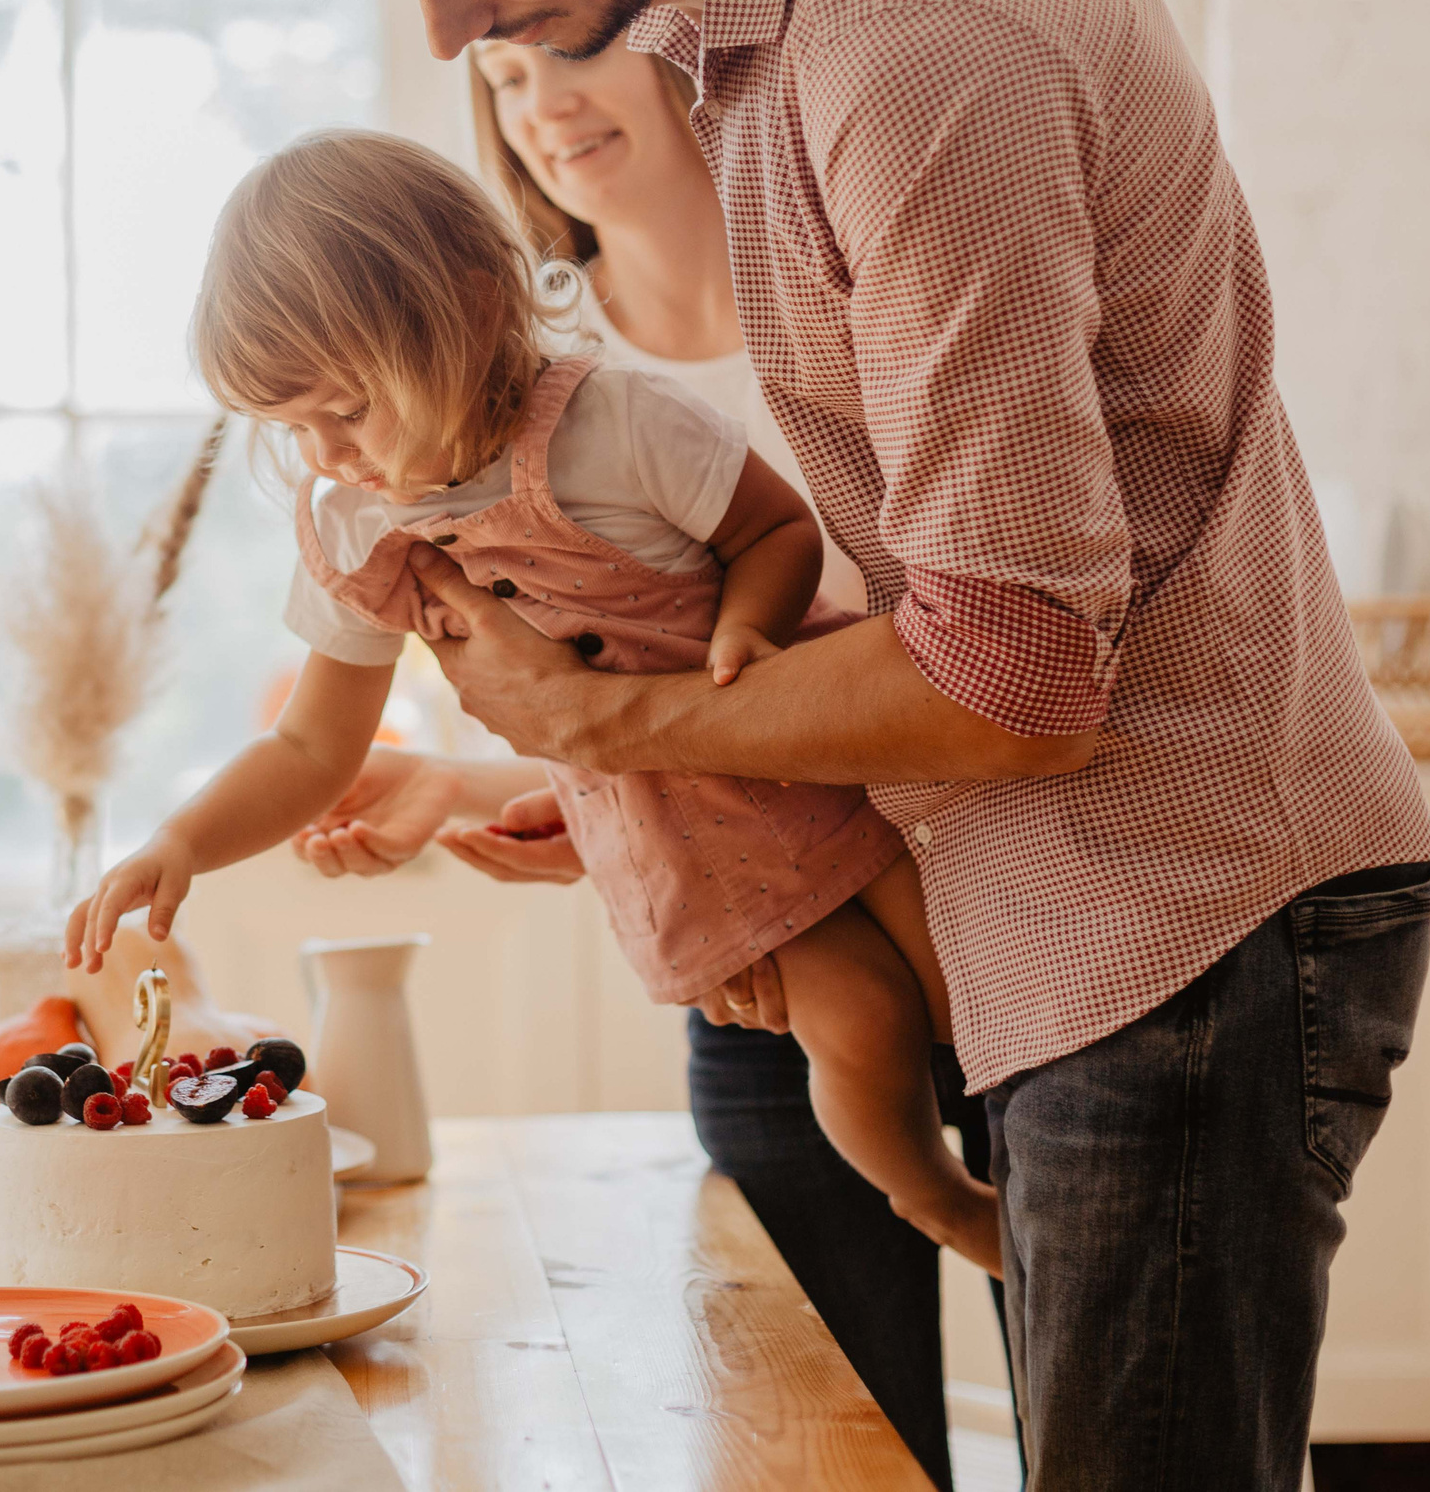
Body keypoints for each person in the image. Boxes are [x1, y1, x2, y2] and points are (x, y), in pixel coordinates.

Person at [234, 0, 1430, 1488]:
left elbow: (1015, 675)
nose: (448, 27)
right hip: (1075, 903)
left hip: (1179, 910)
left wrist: (605, 732)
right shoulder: (777, 22)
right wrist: (660, 795)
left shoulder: (905, 36)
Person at [61, 127, 1001, 1275]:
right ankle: (941, 1201)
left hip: (807, 746)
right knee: (860, 1023)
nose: (325, 455)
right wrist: (180, 843)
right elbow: (312, 743)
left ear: (458, 311)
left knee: (967, 989)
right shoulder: (363, 527)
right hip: (684, 835)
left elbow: (774, 528)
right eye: (292, 428)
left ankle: (1021, 1184)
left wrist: (752, 624)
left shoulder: (615, 426)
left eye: (345, 410)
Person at [293, 35, 1006, 1490]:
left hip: (1001, 894)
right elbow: (602, 711)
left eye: (569, 47)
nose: (539, 102)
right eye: (498, 78)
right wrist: (486, 790)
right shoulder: (454, 426)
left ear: (701, 53)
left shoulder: (863, 298)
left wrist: (634, 741)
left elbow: (986, 649)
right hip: (765, 952)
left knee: (1090, 1390)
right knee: (836, 1435)